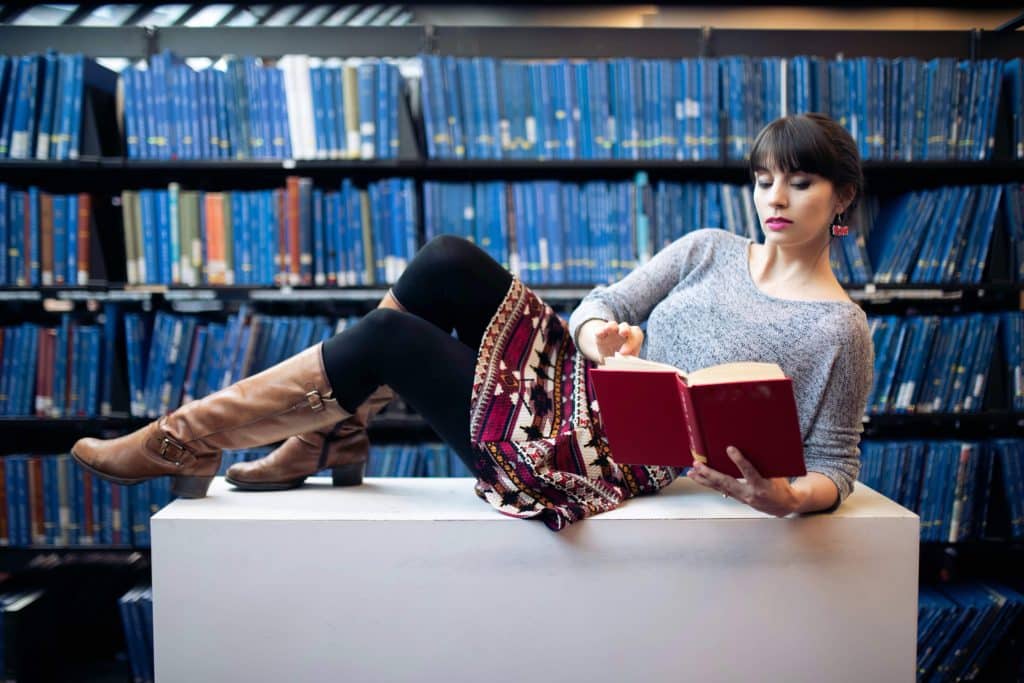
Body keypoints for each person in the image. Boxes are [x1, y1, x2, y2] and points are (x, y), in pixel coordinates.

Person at [72, 112, 873, 531]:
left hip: (605, 459)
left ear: (840, 199)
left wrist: (789, 498)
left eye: (800, 182)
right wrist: (603, 336)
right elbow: (604, 304)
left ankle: (194, 433)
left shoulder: (839, 328)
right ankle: (329, 430)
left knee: (390, 338)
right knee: (449, 256)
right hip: (581, 385)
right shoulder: (706, 248)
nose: (774, 197)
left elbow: (836, 464)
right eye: (765, 178)